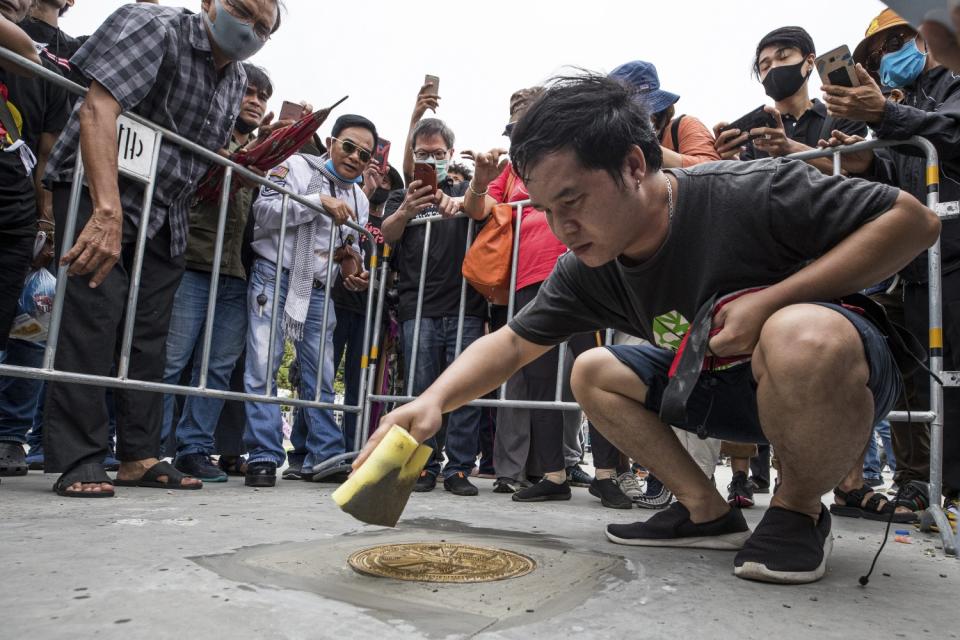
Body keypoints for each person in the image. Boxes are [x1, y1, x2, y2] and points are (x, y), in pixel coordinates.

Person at [358, 74, 940, 585]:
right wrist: (430, 402)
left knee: (798, 334)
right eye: (547, 210)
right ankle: (704, 511)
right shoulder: (587, 266)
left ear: (635, 165)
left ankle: (799, 510)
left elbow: (912, 222)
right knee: (594, 370)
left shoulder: (747, 190)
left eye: (573, 200)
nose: (563, 228)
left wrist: (770, 303)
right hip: (718, 386)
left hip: (830, 376)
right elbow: (511, 342)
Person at [41, 0, 280, 498]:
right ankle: (81, 457)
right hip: (99, 191)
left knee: (150, 333)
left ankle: (139, 453)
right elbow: (98, 107)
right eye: (243, 11)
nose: (250, 30)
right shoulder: (155, 26)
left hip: (165, 211)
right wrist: (106, 211)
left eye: (263, 27)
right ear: (210, 4)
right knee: (94, 315)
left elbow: (196, 154)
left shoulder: (235, 80)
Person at [463, 86, 632, 509]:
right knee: (537, 377)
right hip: (528, 279)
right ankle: (551, 473)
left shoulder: (577, 149)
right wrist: (481, 182)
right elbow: (478, 209)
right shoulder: (514, 169)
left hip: (584, 274)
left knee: (597, 369)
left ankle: (607, 472)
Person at [821, 7, 960, 519]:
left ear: (925, 37)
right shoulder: (898, 105)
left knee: (952, 374)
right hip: (915, 264)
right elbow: (906, 177)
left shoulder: (948, 85)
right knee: (914, 376)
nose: (885, 56)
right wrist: (867, 160)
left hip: (952, 254)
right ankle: (919, 481)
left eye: (895, 41)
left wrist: (886, 116)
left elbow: (951, 135)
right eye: (876, 52)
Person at [608, 59, 723, 509]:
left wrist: (648, 153)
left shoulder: (685, 127)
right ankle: (665, 478)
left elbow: (707, 168)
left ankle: (698, 487)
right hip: (646, 279)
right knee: (643, 370)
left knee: (696, 373)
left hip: (695, 271)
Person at [243, 114, 377, 488]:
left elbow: (349, 249)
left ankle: (326, 455)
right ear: (331, 143)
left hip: (320, 289)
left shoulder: (360, 198)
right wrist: (316, 202)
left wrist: (354, 269)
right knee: (262, 365)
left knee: (321, 375)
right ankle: (264, 455)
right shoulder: (297, 166)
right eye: (349, 146)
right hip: (274, 276)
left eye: (364, 155)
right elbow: (264, 213)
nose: (354, 157)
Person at [158, 62, 273, 482]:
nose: (256, 102)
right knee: (172, 361)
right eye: (249, 92)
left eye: (263, 96)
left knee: (218, 369)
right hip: (191, 260)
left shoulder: (261, 157)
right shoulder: (205, 135)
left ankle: (194, 448)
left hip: (236, 272)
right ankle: (153, 450)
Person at [382, 98, 484, 497]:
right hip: (417, 309)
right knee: (420, 392)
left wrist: (459, 201)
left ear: (451, 155)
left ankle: (459, 469)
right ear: (414, 156)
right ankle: (422, 465)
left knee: (463, 392)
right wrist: (407, 209)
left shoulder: (462, 190)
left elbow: (480, 208)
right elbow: (388, 234)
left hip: (465, 308)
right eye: (423, 154)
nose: (431, 160)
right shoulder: (400, 196)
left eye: (438, 154)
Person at [0, 0, 69, 479]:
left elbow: (46, 153)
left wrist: (44, 222)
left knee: (20, 320)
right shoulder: (29, 47)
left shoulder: (46, 70)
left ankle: (9, 436)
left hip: (15, 210)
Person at [714, 26, 867, 176]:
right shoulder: (754, 135)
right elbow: (749, 188)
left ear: (809, 61)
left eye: (783, 57)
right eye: (765, 66)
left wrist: (789, 148)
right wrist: (730, 163)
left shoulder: (843, 115)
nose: (774, 67)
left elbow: (852, 172)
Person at [329, 163, 402, 456]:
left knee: (360, 385)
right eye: (376, 174)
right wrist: (363, 190)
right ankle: (303, 451)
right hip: (336, 301)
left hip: (372, 312)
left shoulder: (390, 223)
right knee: (320, 375)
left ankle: (353, 448)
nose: (380, 180)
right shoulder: (352, 210)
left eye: (387, 178)